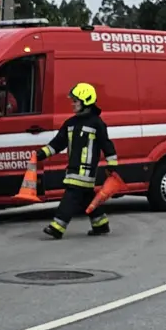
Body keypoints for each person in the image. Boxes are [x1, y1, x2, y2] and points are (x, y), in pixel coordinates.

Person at [34, 82, 118, 239]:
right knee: (87, 198)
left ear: (86, 100)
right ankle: (101, 224)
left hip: (86, 172)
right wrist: (41, 154)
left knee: (71, 197)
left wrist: (112, 166)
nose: (72, 104)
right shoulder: (70, 123)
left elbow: (107, 145)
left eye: (75, 101)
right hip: (73, 170)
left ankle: (57, 226)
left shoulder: (97, 123)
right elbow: (57, 143)